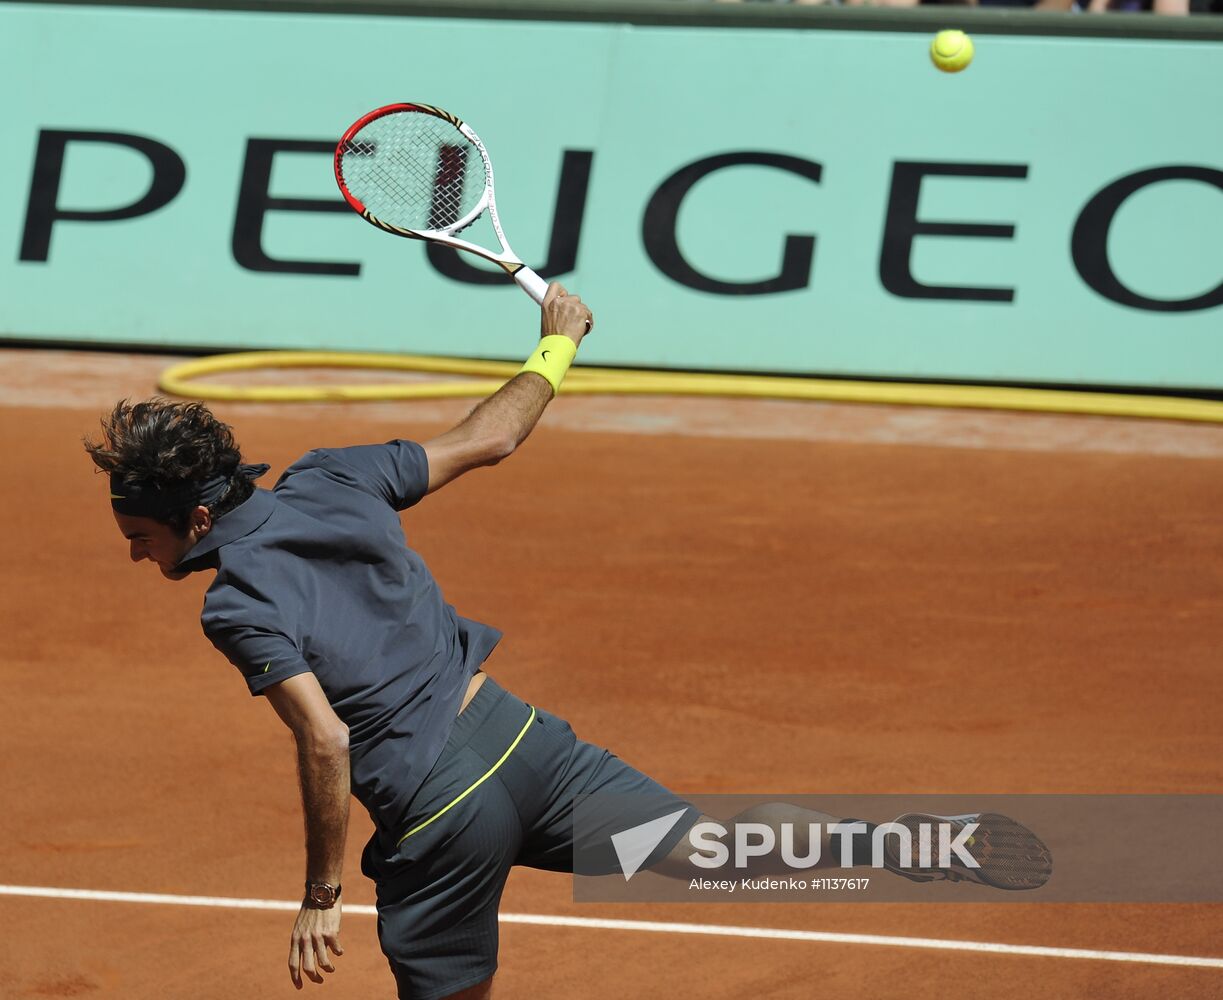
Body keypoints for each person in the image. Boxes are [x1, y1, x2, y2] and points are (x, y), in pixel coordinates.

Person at [85, 284, 1050, 999]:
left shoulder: (233, 606)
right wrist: (554, 347)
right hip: (522, 744)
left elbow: (327, 739)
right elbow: (488, 439)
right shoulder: (334, 476)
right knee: (715, 852)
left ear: (200, 517)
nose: (136, 556)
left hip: (439, 816)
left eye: (143, 538)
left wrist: (321, 892)